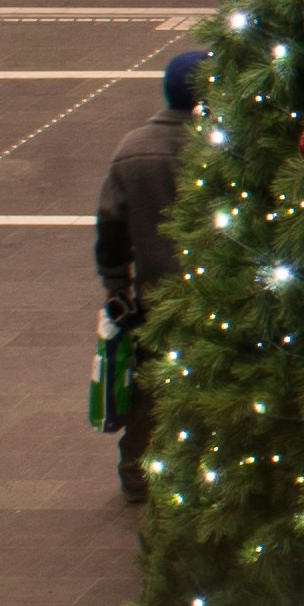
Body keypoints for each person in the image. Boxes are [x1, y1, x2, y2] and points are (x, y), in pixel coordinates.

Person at [92, 47, 205, 502]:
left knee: (152, 386)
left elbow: (111, 225)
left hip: (156, 292)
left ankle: (137, 472)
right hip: (214, 290)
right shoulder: (218, 150)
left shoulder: (132, 149)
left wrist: (116, 284)